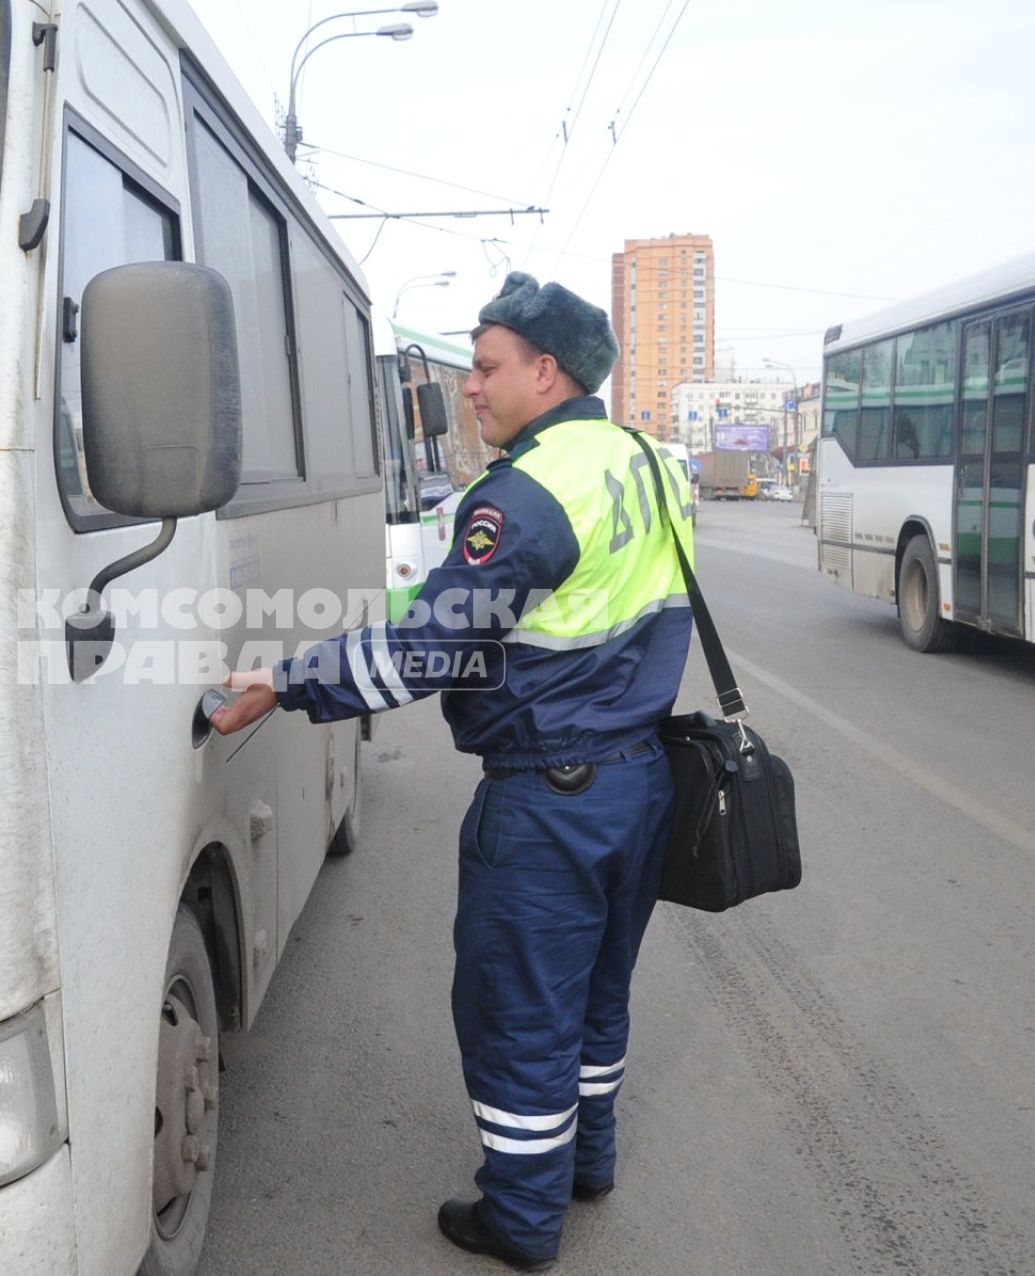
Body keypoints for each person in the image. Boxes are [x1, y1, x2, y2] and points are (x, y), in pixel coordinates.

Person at [209, 272, 694, 1270]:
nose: (470, 389)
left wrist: (286, 681)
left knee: (520, 1007)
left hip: (551, 797)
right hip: (639, 781)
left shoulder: (523, 494)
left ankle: (519, 1218)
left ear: (545, 371)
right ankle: (586, 1161)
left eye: (485, 367)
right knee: (600, 994)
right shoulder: (648, 461)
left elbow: (430, 649)